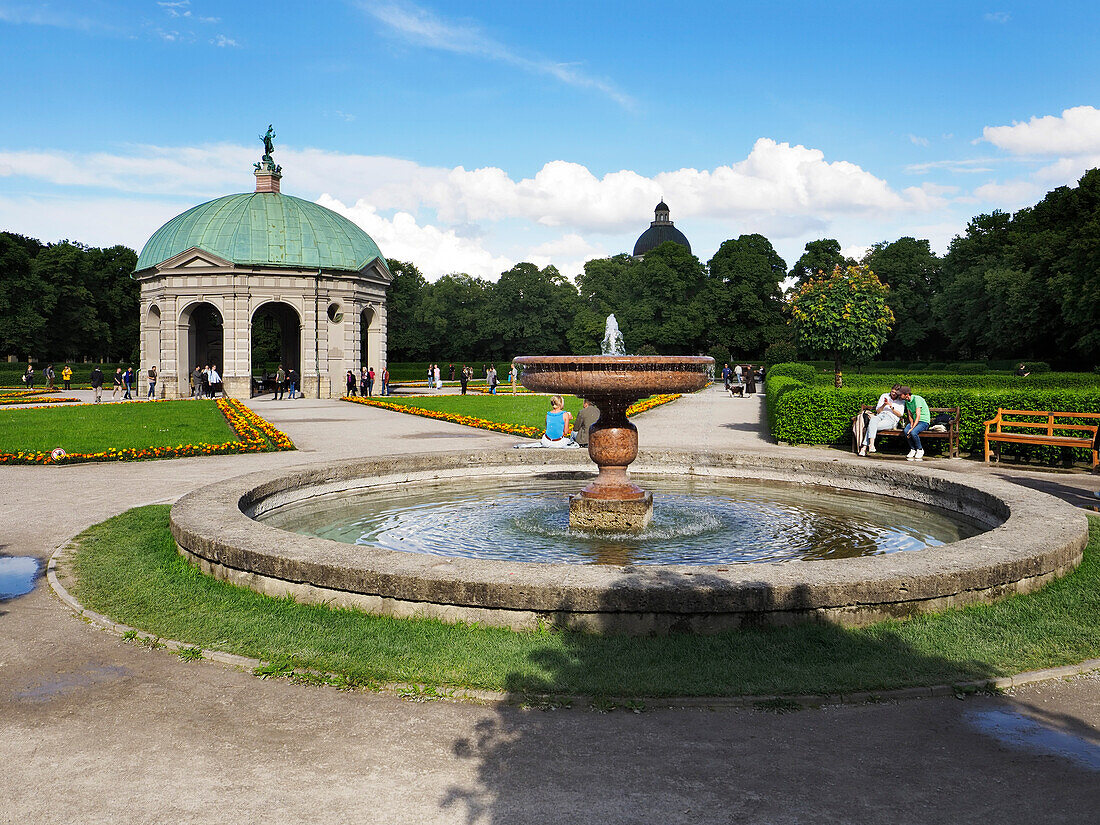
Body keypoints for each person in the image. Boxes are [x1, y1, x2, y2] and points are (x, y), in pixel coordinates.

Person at [858, 384, 905, 456]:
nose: (893, 394)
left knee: (871, 426)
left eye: (895, 393)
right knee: (873, 419)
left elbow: (900, 414)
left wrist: (891, 407)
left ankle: (864, 447)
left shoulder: (901, 400)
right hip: (880, 415)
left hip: (891, 418)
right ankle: (871, 445)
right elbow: (878, 411)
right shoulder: (884, 396)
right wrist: (884, 405)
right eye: (892, 391)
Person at [899, 385, 930, 461]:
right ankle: (913, 449)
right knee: (906, 431)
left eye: (901, 394)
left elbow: (918, 415)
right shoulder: (907, 401)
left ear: (906, 395)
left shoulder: (917, 399)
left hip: (923, 421)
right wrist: (911, 424)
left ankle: (920, 449)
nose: (899, 396)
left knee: (913, 432)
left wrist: (912, 428)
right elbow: (910, 414)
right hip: (916, 421)